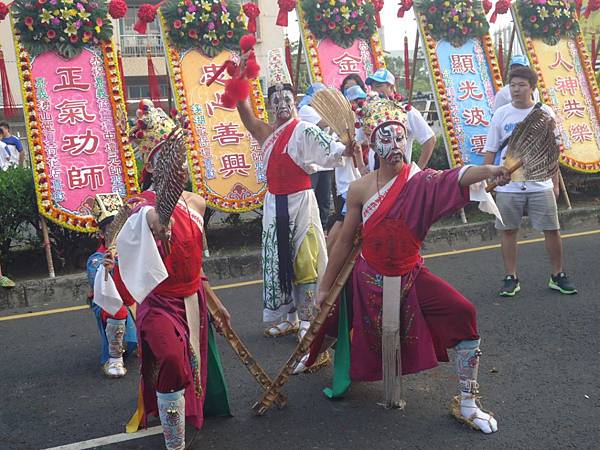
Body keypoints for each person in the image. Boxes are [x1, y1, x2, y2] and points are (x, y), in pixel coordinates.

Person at [307, 98, 510, 433]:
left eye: (400, 137)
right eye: (386, 138)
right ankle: (314, 356)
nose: (395, 145)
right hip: (367, 278)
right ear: (373, 143)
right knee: (332, 316)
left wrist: (489, 170)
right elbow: (344, 241)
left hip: (410, 275)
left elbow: (455, 177)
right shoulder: (359, 189)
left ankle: (467, 401)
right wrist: (325, 285)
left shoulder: (422, 182)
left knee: (463, 313)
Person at [112, 100, 232, 449]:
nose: (179, 166)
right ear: (154, 164)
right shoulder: (140, 204)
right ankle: (174, 444)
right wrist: (156, 222)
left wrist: (215, 302)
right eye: (171, 158)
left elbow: (194, 262)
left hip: (192, 299)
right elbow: (146, 219)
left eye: (180, 158)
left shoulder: (196, 203)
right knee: (170, 361)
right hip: (160, 302)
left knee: (187, 367)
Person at [235, 48, 350, 343]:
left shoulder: (304, 131)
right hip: (275, 204)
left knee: (305, 259)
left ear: (295, 102)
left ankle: (308, 317)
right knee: (278, 259)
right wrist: (240, 78)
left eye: (286, 99)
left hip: (301, 203)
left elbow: (331, 151)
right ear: (270, 107)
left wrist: (347, 150)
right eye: (275, 101)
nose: (282, 104)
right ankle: (289, 317)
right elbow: (246, 115)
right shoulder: (266, 132)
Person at [483, 66, 577, 297]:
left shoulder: (545, 113)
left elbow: (551, 152)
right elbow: (490, 150)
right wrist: (490, 177)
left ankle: (558, 275)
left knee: (552, 230)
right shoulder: (501, 114)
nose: (515, 89)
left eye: (521, 85)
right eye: (512, 85)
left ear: (532, 88)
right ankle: (511, 277)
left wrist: (554, 183)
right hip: (508, 185)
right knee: (507, 231)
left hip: (540, 184)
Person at [87, 193, 137, 378]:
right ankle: (113, 358)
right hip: (110, 303)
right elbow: (103, 293)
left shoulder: (132, 247)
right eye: (111, 228)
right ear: (101, 234)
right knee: (116, 310)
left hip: (132, 298)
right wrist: (110, 270)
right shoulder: (97, 259)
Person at [365, 69, 436, 169]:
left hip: (400, 177)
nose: (374, 91)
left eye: (378, 86)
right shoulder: (370, 115)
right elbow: (362, 142)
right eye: (372, 87)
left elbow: (430, 139)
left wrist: (416, 172)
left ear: (391, 87)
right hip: (375, 180)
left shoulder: (406, 111)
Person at [298, 82, 335, 230]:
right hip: (312, 163)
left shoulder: (324, 111)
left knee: (324, 199)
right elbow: (323, 123)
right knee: (310, 197)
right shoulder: (306, 109)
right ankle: (307, 229)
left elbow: (331, 132)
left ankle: (323, 229)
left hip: (326, 163)